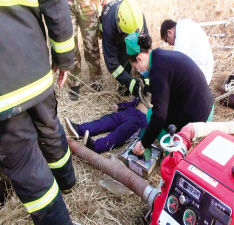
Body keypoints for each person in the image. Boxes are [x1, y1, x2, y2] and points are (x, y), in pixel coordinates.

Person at [0, 0, 76, 224]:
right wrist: (64, 59)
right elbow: (56, 6)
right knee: (50, 129)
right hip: (37, 74)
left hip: (4, 95)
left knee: (26, 165)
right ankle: (67, 182)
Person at [124, 33, 215, 155]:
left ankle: (173, 154)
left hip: (199, 117)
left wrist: (143, 144)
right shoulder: (160, 56)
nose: (138, 70)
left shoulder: (157, 72)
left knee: (153, 116)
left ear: (139, 59)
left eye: (136, 67)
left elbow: (159, 116)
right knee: (153, 113)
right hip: (206, 105)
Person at [99, 0, 149, 96]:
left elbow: (144, 50)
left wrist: (147, 78)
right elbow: (111, 62)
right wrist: (128, 81)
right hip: (113, 30)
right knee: (122, 57)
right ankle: (123, 87)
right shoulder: (109, 26)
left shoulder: (139, 20)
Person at [65, 98, 148, 153]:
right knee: (107, 120)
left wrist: (143, 142)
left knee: (119, 134)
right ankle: (79, 130)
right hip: (130, 112)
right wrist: (120, 106)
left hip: (140, 122)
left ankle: (96, 147)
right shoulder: (149, 85)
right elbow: (134, 102)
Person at [67, 0, 105, 101]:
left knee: (91, 46)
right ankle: (74, 82)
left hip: (88, 4)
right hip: (66, 5)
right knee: (70, 46)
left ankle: (96, 80)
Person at [160, 18, 214, 85]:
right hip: (202, 70)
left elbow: (177, 62)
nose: (169, 44)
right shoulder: (185, 25)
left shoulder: (181, 32)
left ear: (169, 32)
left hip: (200, 74)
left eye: (166, 40)